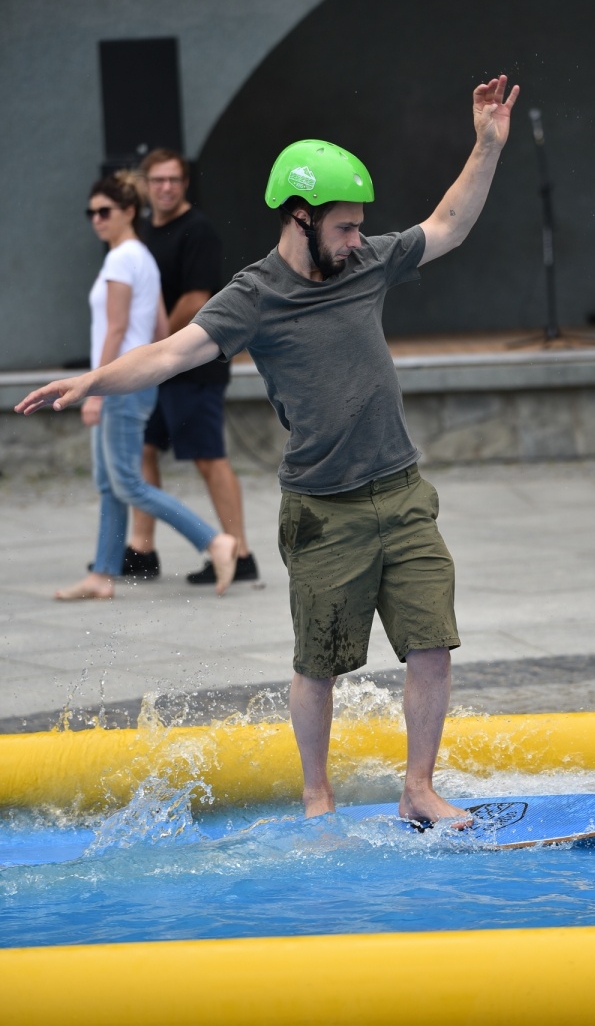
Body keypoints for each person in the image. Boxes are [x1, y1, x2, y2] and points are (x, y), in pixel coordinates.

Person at [16, 75, 519, 823]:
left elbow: (447, 225)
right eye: (344, 228)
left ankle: (418, 790)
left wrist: (486, 144)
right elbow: (169, 354)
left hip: (402, 491)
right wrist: (94, 379)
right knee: (318, 665)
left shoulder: (367, 263)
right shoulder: (254, 295)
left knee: (431, 647)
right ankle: (318, 797)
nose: (357, 242)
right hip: (322, 509)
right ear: (299, 217)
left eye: (359, 228)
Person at [56, 171, 237, 601]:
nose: (96, 220)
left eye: (105, 211)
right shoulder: (142, 256)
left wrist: (93, 390)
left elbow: (116, 330)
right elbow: (158, 326)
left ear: (129, 212)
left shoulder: (121, 259)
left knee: (127, 483)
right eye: (91, 212)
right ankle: (102, 574)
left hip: (119, 384)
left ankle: (214, 541)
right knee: (111, 482)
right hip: (137, 382)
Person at [124, 148, 258, 585]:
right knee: (143, 449)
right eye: (158, 180)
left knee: (207, 456)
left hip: (193, 365)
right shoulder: (143, 230)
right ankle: (142, 550)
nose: (166, 188)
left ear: (185, 184)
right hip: (158, 367)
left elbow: (196, 299)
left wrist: (154, 348)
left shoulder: (198, 230)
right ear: (145, 185)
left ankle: (240, 554)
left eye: (174, 180)